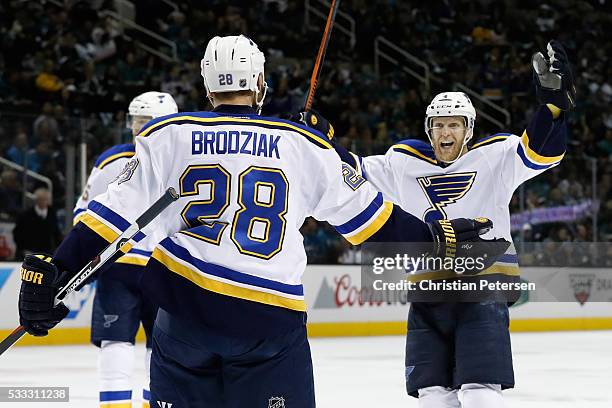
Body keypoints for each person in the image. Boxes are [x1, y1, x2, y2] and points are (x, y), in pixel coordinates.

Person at [17, 35, 505, 407]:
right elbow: (373, 224)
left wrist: (52, 274)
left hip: (183, 321)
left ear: (208, 85)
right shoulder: (301, 144)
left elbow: (104, 220)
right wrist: (436, 236)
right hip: (269, 326)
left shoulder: (168, 135)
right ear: (260, 82)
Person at [299, 40, 574, 407]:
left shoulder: (497, 155)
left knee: (479, 394)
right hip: (427, 296)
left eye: (455, 125)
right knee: (432, 398)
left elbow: (541, 153)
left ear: (468, 128)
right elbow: (350, 170)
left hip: (483, 292)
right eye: (440, 125)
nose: (447, 133)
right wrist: (318, 140)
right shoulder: (402, 161)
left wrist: (552, 106)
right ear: (430, 129)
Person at [74, 91, 178, 408]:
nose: (138, 128)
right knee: (116, 340)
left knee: (161, 346)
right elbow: (84, 211)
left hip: (164, 269)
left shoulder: (183, 162)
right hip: (118, 268)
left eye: (146, 121)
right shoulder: (112, 160)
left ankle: (153, 403)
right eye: (135, 120)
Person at [13, 187, 62, 258]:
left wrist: (58, 250)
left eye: (45, 199)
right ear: (36, 200)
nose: (43, 202)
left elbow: (56, 233)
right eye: (41, 199)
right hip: (29, 251)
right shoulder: (26, 215)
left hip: (47, 252)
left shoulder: (52, 213)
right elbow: (17, 233)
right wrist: (23, 249)